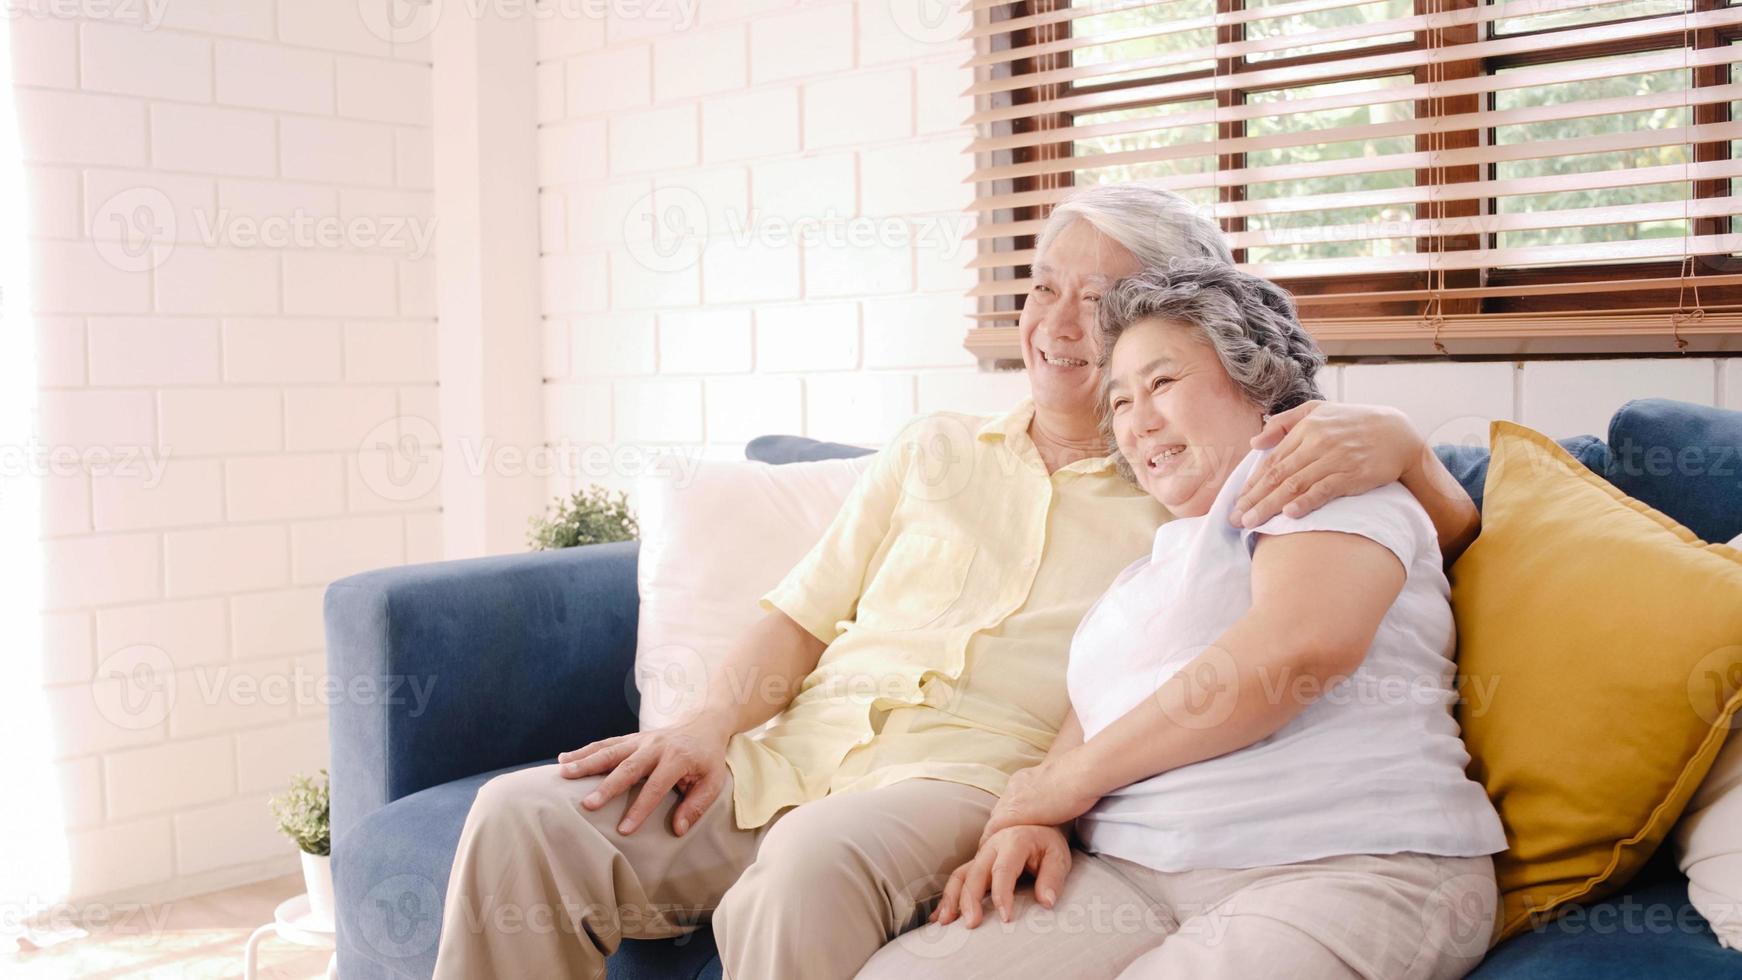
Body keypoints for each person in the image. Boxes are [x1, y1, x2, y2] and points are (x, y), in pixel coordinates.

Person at [430, 183, 1484, 980]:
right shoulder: (939, 450)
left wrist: (1402, 441)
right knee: (523, 816)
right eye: (1040, 289)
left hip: (962, 782)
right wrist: (703, 726)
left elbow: (1380, 552)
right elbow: (799, 617)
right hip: (796, 750)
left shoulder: (1191, 489)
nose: (1057, 323)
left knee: (804, 866)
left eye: (1102, 304)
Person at [861, 261, 1505, 980]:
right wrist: (1031, 815)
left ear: (1256, 376)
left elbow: (1297, 655)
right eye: (1122, 399)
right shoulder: (1152, 567)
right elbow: (1100, 712)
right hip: (1137, 876)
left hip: (1344, 863)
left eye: (1162, 383)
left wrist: (1066, 786)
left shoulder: (1318, 475)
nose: (1138, 421)